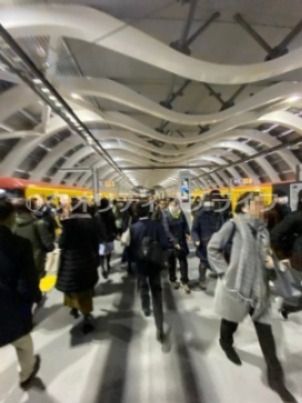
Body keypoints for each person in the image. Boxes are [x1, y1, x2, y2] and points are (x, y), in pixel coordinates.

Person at [207, 192, 297, 403]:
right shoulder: (234, 225)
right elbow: (213, 248)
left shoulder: (263, 230)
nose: (261, 206)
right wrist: (225, 273)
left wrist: (272, 264)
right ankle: (225, 343)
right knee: (230, 322)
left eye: (261, 203)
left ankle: (276, 381)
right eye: (256, 203)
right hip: (238, 289)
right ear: (245, 207)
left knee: (267, 337)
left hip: (260, 291)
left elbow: (267, 257)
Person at [0, 199, 41, 389]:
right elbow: (27, 280)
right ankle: (25, 374)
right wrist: (34, 298)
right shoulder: (20, 244)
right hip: (11, 305)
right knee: (23, 343)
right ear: (11, 217)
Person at [56, 198, 99, 334]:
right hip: (87, 261)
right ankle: (86, 319)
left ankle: (74, 308)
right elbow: (95, 242)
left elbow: (62, 244)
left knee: (72, 288)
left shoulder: (68, 224)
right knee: (86, 290)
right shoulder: (91, 223)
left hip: (71, 262)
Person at [129, 202, 169, 342]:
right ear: (149, 211)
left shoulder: (133, 228)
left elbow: (131, 247)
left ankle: (145, 307)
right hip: (155, 265)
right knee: (157, 295)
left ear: (136, 213)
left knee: (142, 285)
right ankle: (160, 328)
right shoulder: (157, 226)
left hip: (141, 264)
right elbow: (165, 244)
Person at [271, 192, 302, 319]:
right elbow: (275, 235)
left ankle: (288, 306)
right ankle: (288, 306)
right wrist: (282, 253)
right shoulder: (296, 217)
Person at [14, 199, 55, 279]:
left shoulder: (11, 223)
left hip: (15, 264)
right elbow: (49, 246)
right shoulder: (39, 224)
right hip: (35, 265)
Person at [192, 194, 224, 290]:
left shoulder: (218, 214)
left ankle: (218, 275)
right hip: (203, 243)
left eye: (211, 203)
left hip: (216, 242)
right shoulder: (199, 215)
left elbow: (223, 227)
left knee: (218, 260)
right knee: (203, 262)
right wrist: (196, 239)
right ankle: (202, 280)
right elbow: (194, 230)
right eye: (208, 202)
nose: (210, 205)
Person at [162, 198, 191, 293]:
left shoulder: (180, 212)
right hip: (171, 243)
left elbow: (185, 224)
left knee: (183, 262)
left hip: (181, 241)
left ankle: (184, 281)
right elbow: (166, 230)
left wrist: (187, 233)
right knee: (171, 262)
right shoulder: (165, 214)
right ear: (170, 205)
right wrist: (174, 242)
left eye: (178, 205)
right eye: (176, 205)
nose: (177, 207)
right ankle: (173, 280)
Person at [96, 198, 117, 279]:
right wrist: (115, 233)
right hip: (109, 237)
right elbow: (113, 225)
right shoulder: (110, 213)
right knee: (108, 252)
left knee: (101, 254)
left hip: (101, 238)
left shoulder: (97, 214)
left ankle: (102, 267)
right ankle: (108, 264)